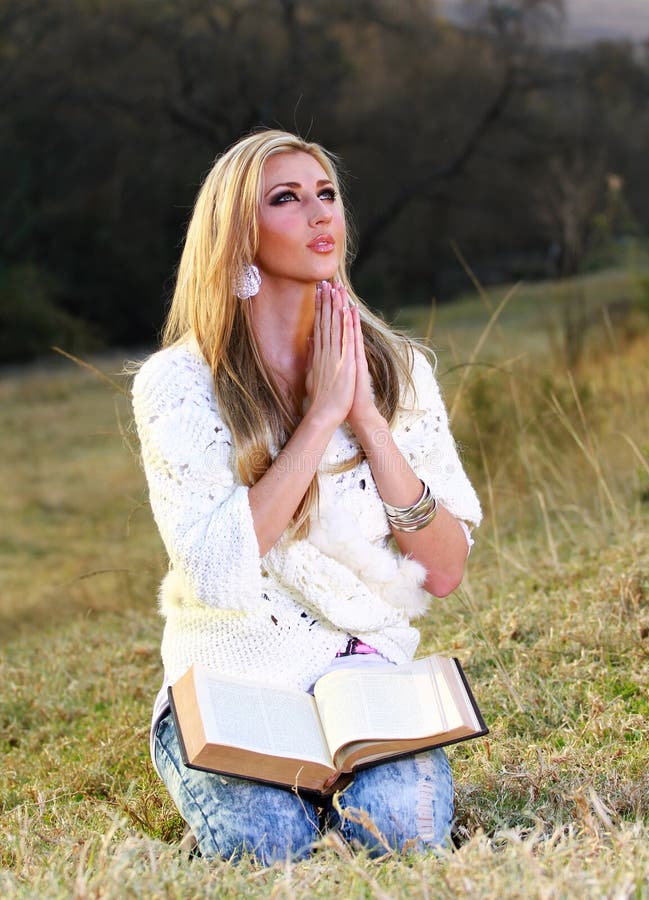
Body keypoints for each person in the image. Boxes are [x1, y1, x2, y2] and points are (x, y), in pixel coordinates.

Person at [131, 129, 482, 864]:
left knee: (402, 836)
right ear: (237, 237)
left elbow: (444, 571)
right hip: (233, 679)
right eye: (286, 199)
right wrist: (319, 417)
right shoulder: (178, 384)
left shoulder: (401, 371)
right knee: (267, 848)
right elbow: (216, 570)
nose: (320, 214)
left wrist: (364, 418)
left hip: (364, 679)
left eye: (326, 194)